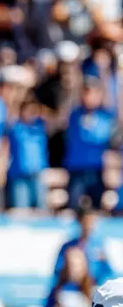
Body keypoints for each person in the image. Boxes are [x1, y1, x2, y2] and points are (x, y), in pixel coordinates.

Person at [62, 78, 116, 210]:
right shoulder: (74, 114)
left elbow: (101, 139)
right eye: (86, 93)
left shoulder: (104, 116)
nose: (89, 97)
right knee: (73, 207)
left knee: (97, 208)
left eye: (92, 93)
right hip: (76, 168)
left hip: (95, 169)